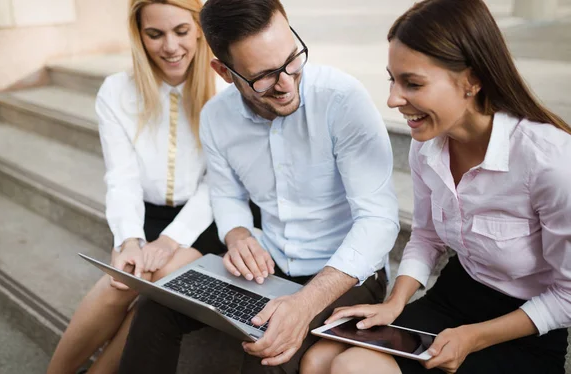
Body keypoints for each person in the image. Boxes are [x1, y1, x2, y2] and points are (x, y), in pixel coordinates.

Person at [118, 0, 401, 373]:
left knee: (268, 354)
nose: (286, 84)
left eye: (292, 59)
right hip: (268, 270)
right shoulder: (217, 118)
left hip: (345, 275)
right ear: (223, 71)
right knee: (155, 308)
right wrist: (237, 236)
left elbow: (379, 220)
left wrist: (305, 303)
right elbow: (226, 194)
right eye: (264, 75)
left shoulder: (342, 100)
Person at [300, 0, 571, 373]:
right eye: (392, 80)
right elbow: (426, 236)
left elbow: (568, 297)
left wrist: (472, 337)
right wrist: (395, 302)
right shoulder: (427, 145)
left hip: (524, 328)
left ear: (471, 81)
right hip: (454, 296)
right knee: (319, 358)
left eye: (412, 83)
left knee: (353, 367)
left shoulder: (550, 161)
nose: (393, 99)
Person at [46, 1, 223, 373]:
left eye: (180, 31)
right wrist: (129, 238)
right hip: (147, 213)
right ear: (139, 35)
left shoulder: (224, 92)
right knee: (121, 283)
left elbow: (218, 183)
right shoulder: (116, 91)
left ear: (198, 29)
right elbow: (121, 176)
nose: (170, 47)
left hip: (206, 219)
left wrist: (171, 240)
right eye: (154, 34)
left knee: (153, 281)